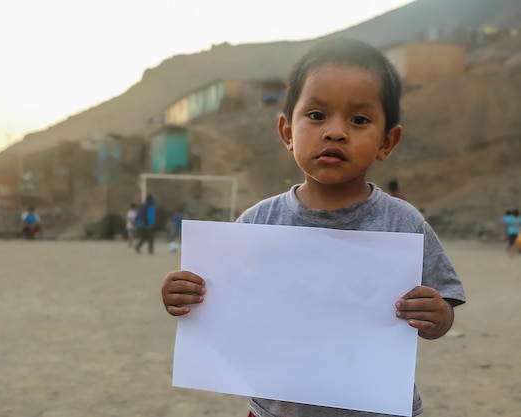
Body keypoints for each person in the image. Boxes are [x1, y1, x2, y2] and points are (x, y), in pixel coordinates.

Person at [161, 37, 466, 417]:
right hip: (276, 410)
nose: (335, 131)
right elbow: (221, 301)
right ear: (288, 132)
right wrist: (184, 296)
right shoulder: (259, 223)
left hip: (380, 408)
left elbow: (442, 310)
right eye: (317, 115)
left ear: (387, 142)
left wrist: (437, 316)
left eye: (359, 119)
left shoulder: (403, 223)